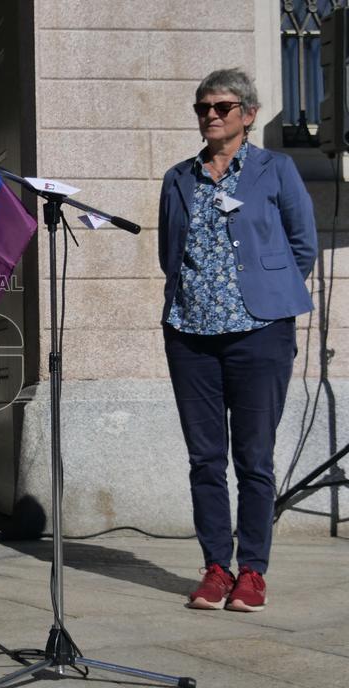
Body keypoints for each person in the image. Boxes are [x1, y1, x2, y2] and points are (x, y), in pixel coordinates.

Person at [158, 68, 317, 612]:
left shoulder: (277, 169)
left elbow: (303, 245)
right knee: (205, 459)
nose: (210, 115)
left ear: (247, 115)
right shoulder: (179, 177)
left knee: (254, 458)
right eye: (203, 107)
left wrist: (268, 296)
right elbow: (169, 253)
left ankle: (252, 570)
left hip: (260, 332)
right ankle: (214, 569)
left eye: (222, 107)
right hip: (190, 333)